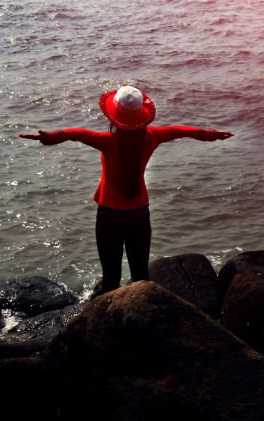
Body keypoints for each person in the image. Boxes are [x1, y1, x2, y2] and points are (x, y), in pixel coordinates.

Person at [19, 85, 232, 294]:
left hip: (109, 215)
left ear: (114, 116)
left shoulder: (106, 141)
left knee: (110, 279)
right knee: (141, 275)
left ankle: (108, 319)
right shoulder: (153, 137)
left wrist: (47, 136)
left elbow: (75, 134)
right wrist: (213, 134)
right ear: (141, 114)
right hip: (139, 213)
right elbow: (183, 131)